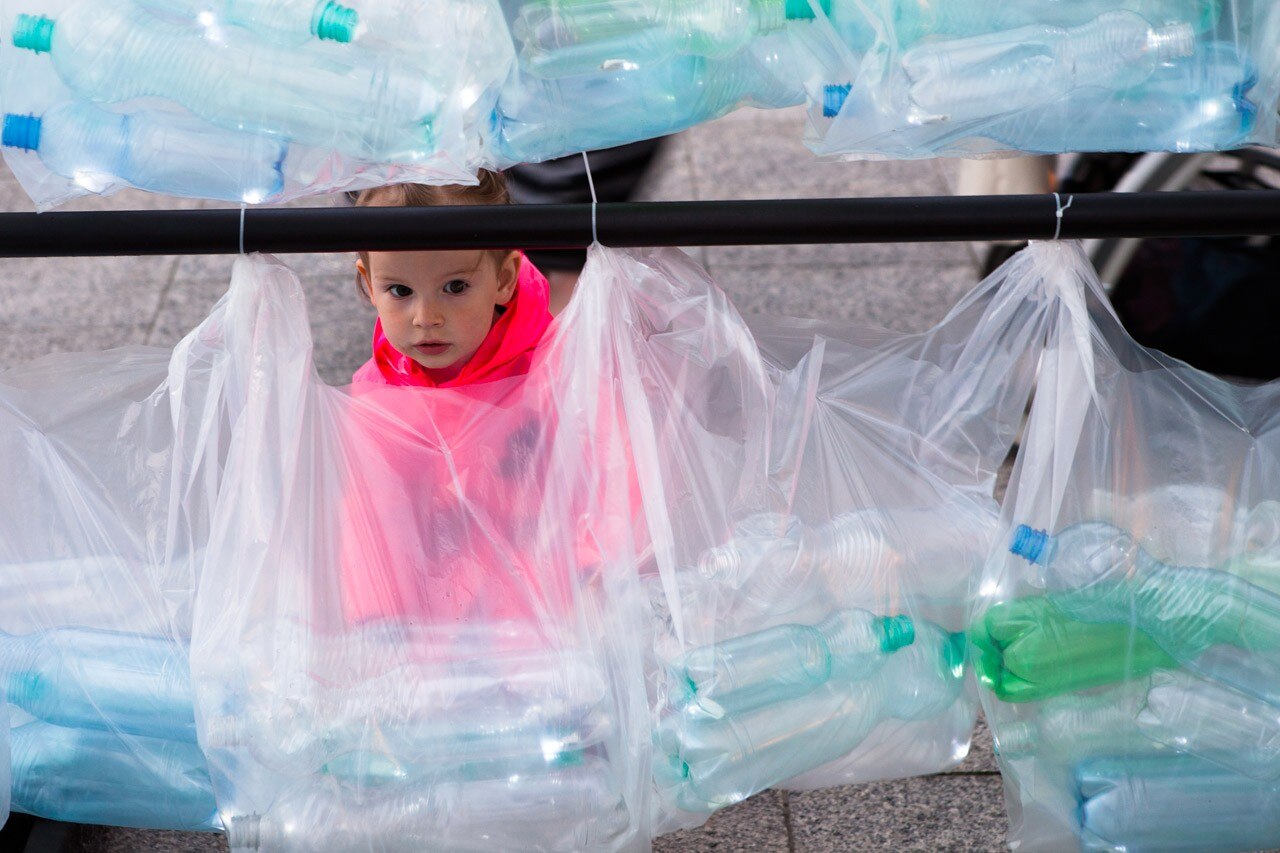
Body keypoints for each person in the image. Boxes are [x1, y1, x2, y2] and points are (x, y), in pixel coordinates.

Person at [349, 170, 553, 388]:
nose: (426, 319)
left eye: (455, 287)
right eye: (400, 290)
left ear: (503, 279)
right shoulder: (375, 390)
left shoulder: (552, 375)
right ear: (370, 285)